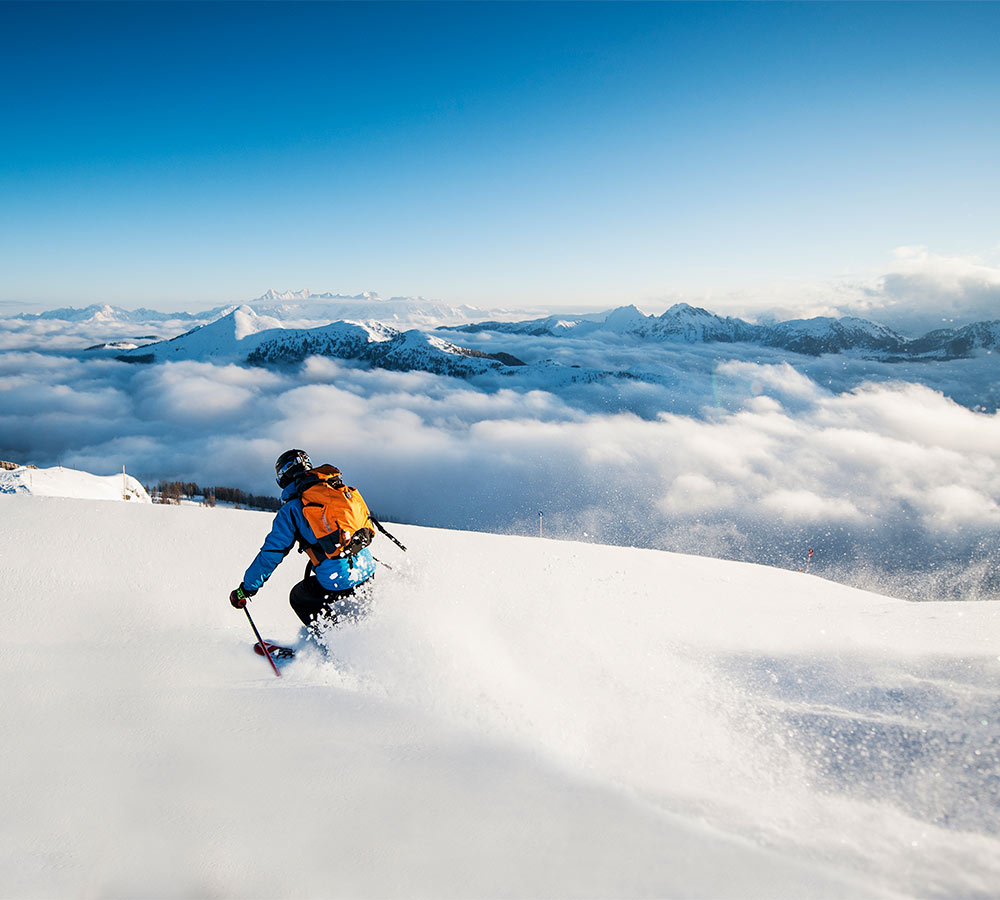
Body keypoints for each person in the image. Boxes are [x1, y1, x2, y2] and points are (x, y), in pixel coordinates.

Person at [229, 449, 377, 636]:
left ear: (283, 477)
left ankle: (333, 645)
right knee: (357, 608)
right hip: (367, 570)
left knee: (299, 598)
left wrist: (246, 589)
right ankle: (361, 639)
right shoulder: (333, 490)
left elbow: (271, 554)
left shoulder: (291, 509)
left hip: (339, 581)